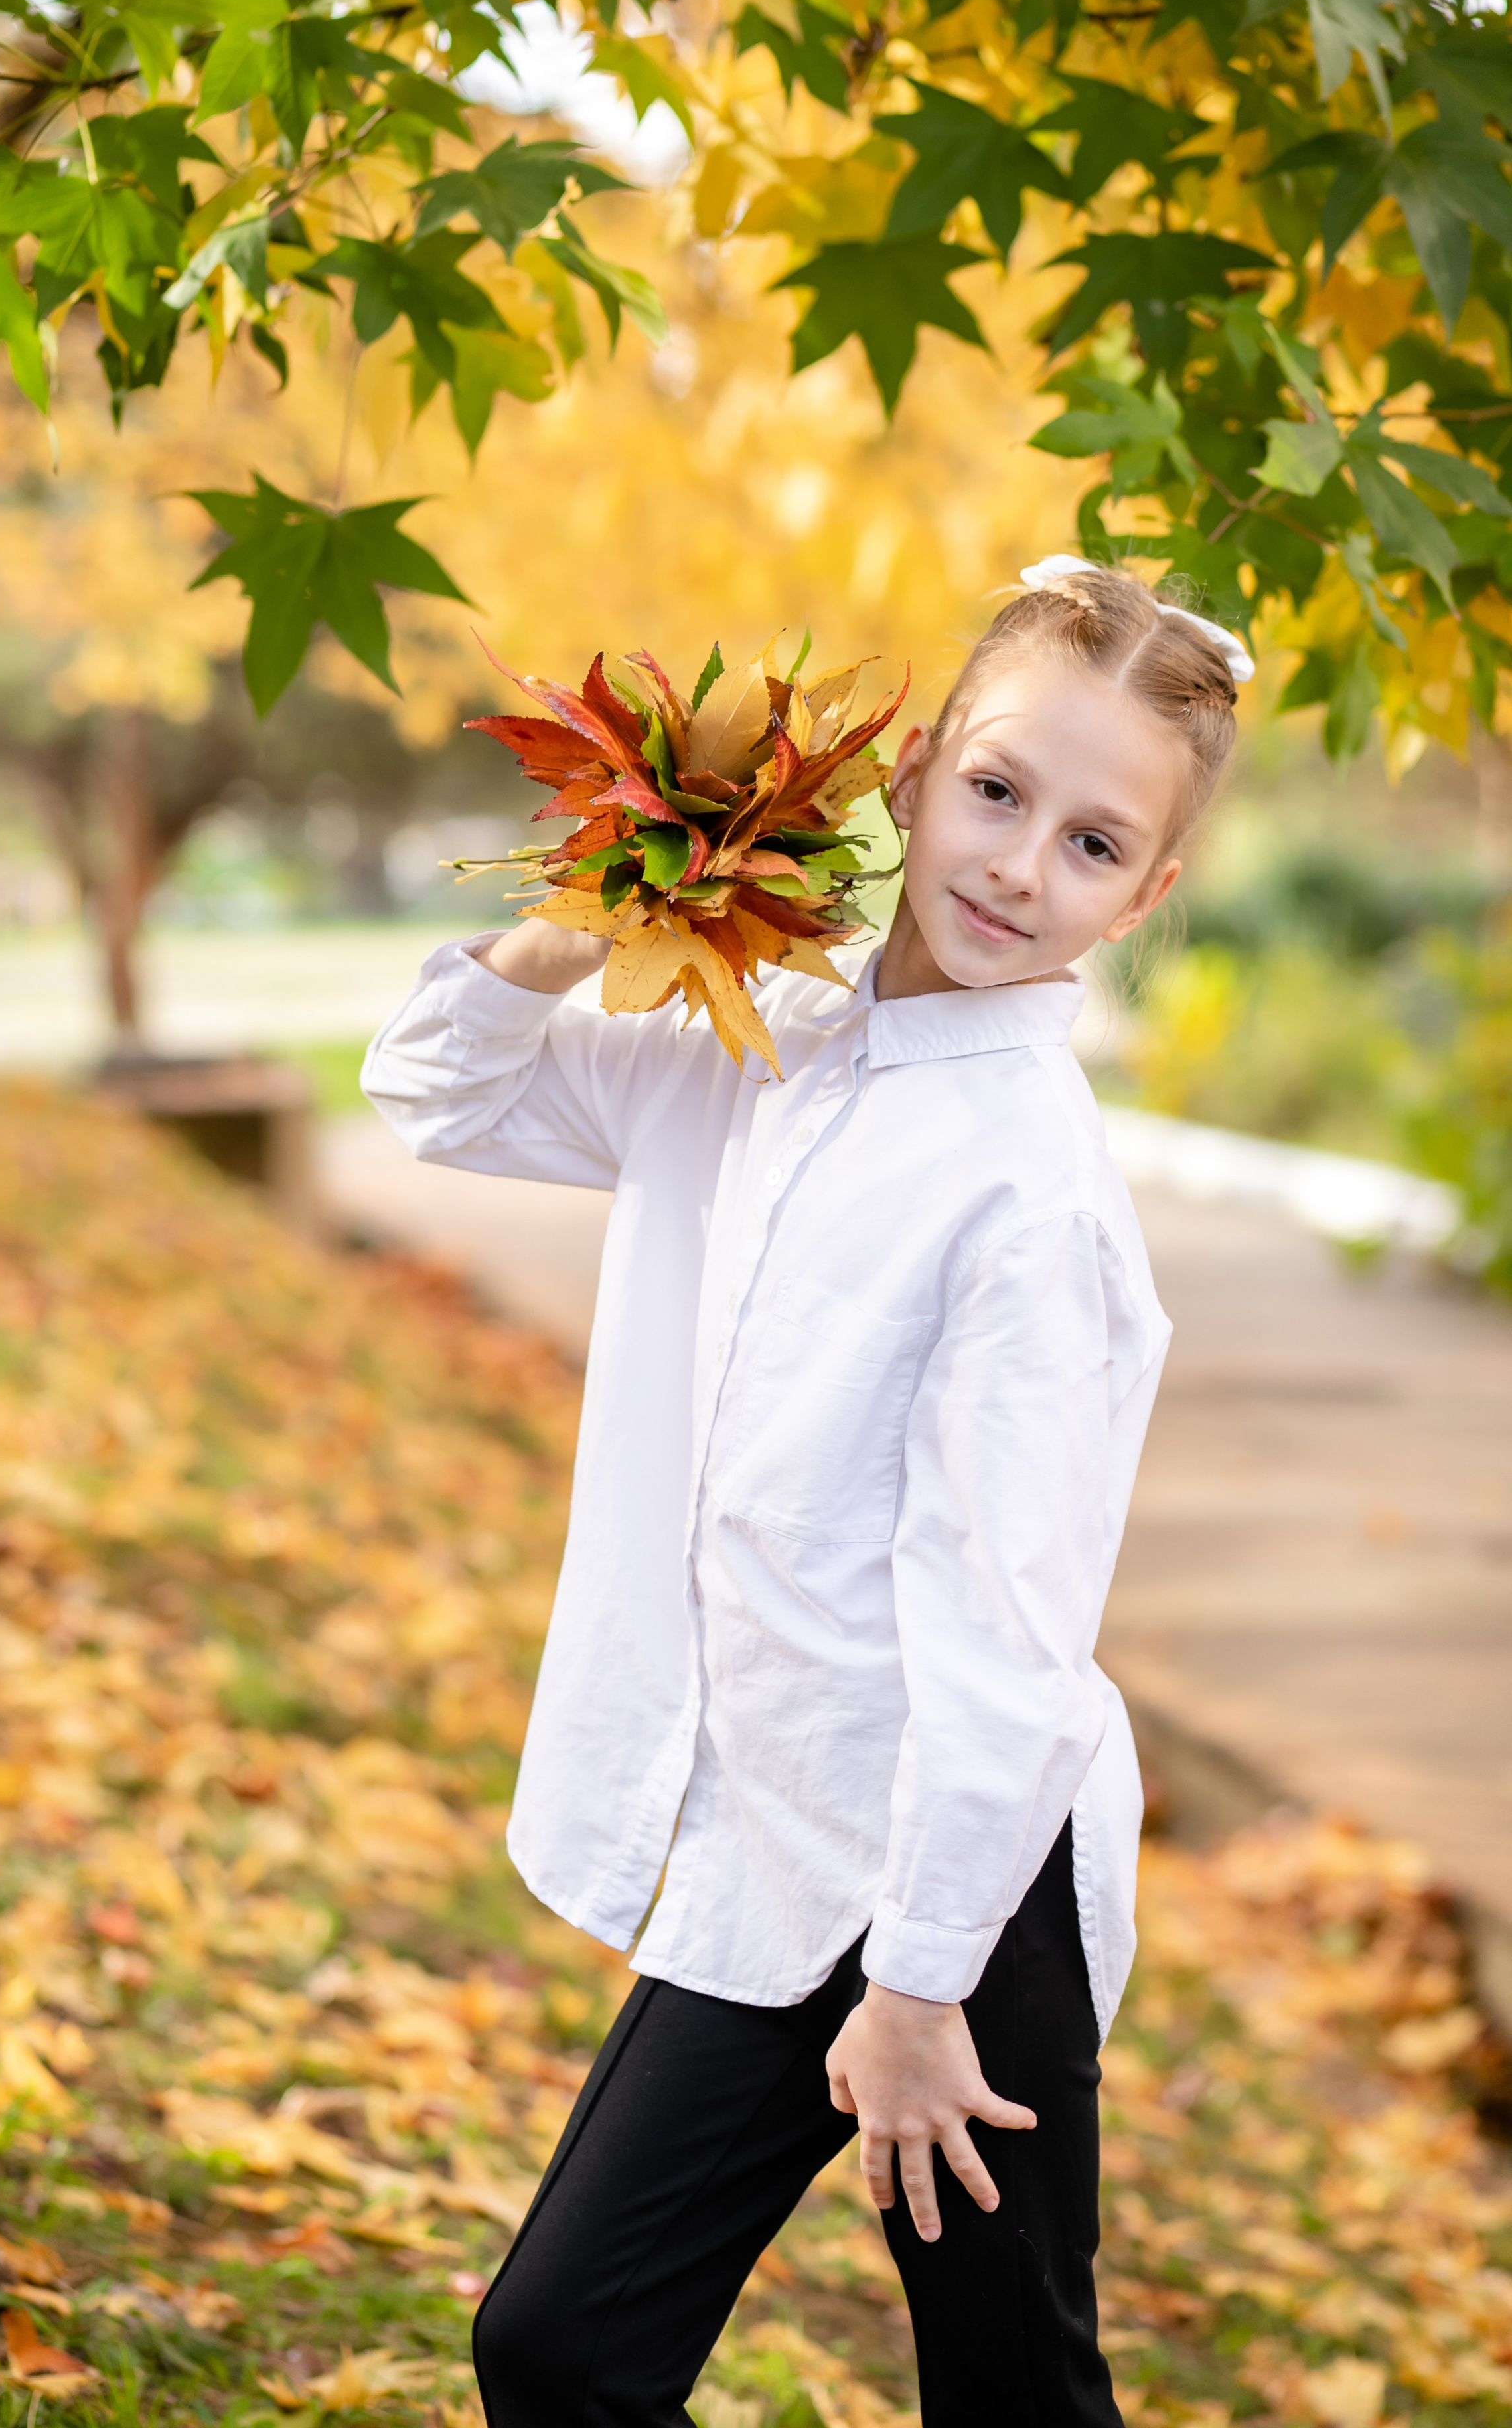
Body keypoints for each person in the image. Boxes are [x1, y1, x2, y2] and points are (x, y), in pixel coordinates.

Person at [362, 558, 1248, 2427]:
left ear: (1147, 898)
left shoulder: (1034, 1201)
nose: (1020, 867)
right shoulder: (757, 1035)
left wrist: (922, 1995)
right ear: (916, 773)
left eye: (1094, 845)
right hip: (781, 1840)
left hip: (960, 1887)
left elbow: (1011, 1641)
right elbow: (442, 1094)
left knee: (1013, 2400)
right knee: (561, 2348)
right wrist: (585, 906)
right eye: (1000, 794)